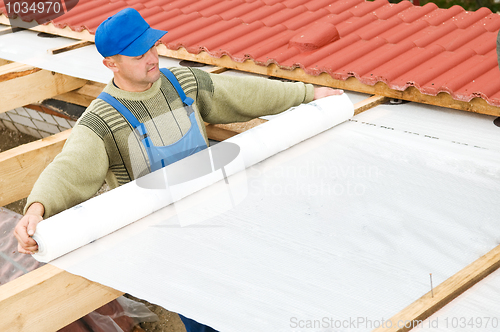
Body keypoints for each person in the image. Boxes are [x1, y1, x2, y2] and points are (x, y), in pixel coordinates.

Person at [14, 7, 343, 332]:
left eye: (152, 46)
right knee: (204, 319)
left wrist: (309, 93)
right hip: (168, 248)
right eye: (138, 54)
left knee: (247, 303)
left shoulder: (184, 83)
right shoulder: (101, 122)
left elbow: (247, 94)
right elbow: (69, 169)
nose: (152, 57)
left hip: (219, 218)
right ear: (110, 63)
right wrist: (37, 208)